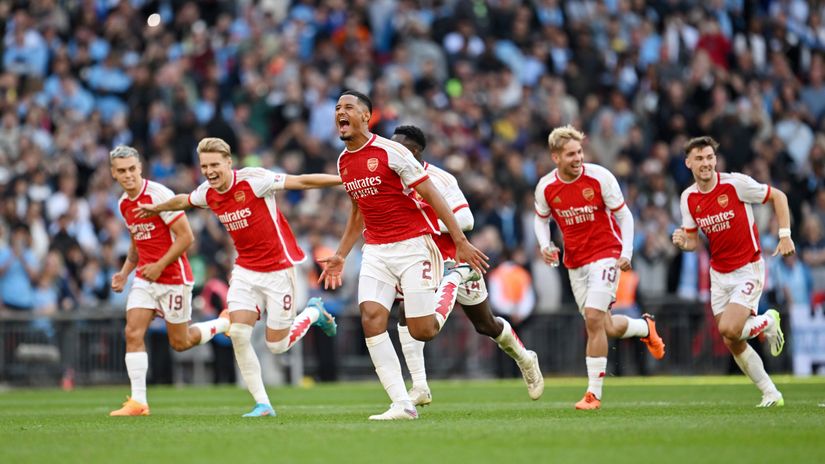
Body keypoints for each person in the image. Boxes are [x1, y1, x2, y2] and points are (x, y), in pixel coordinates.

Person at [134, 137, 340, 417]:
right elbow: (185, 200)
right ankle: (263, 404)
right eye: (204, 166)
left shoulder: (254, 180)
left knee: (276, 346)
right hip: (245, 271)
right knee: (240, 333)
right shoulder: (208, 192)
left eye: (214, 164)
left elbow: (301, 181)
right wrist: (157, 208)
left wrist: (342, 180)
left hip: (279, 269)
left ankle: (314, 313)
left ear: (228, 162)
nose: (209, 171)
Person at [319, 91, 489, 420]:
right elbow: (358, 211)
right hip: (377, 250)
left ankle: (453, 279)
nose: (341, 112)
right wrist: (341, 254)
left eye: (349, 107)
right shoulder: (343, 161)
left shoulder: (391, 151)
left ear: (366, 117)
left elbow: (431, 193)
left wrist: (460, 241)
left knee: (422, 330)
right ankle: (402, 404)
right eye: (337, 108)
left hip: (414, 246)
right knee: (371, 317)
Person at [390, 125, 543, 405]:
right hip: (419, 260)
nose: (391, 153)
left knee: (485, 324)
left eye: (397, 148)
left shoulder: (440, 178)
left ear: (413, 152)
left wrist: (420, 225)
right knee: (405, 310)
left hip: (454, 259)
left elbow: (467, 220)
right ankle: (420, 386)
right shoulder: (391, 180)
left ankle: (525, 357)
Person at [533, 125, 665, 410]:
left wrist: (626, 252)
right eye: (570, 154)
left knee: (593, 318)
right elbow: (541, 219)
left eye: (580, 152)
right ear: (555, 157)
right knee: (605, 326)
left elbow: (625, 217)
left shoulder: (600, 177)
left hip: (606, 254)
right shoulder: (546, 187)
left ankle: (593, 394)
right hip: (575, 262)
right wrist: (545, 245)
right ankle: (645, 327)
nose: (578, 158)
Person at [108, 145, 230, 416]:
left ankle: (223, 323)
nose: (128, 175)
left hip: (173, 277)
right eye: (121, 171)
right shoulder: (123, 204)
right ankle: (138, 402)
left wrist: (160, 265)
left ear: (140, 168)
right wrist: (125, 272)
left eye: (131, 169)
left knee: (181, 342)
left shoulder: (159, 195)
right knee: (132, 332)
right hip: (144, 278)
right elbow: (136, 242)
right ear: (113, 174)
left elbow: (187, 237)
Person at [672, 136, 791, 408]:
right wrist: (682, 242)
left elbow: (778, 196)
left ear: (716, 160)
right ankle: (771, 393)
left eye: (710, 157)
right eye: (699, 158)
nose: (706, 163)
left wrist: (785, 235)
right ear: (688, 162)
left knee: (729, 328)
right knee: (731, 340)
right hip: (719, 274)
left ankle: (769, 320)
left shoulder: (734, 184)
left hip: (748, 268)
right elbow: (692, 242)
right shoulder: (688, 198)